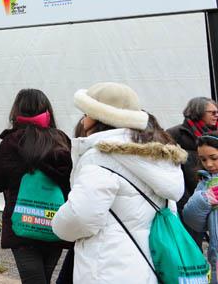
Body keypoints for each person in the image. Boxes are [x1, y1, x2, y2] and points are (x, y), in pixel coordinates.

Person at [51, 82, 186, 283]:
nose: (83, 117)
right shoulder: (158, 157)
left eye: (87, 112)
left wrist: (58, 222)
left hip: (108, 267)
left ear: (99, 116)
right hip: (152, 267)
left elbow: (81, 216)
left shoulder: (100, 157)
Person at [0, 89, 72, 284]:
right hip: (55, 224)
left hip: (22, 226)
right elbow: (71, 181)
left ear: (17, 111)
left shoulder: (11, 142)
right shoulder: (62, 140)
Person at [167, 97, 218, 225]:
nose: (216, 115)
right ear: (198, 112)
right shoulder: (175, 134)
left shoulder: (215, 132)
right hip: (188, 196)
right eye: (212, 112)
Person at [183, 131, 218, 283]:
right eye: (203, 159)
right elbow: (194, 222)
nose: (208, 164)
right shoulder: (205, 182)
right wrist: (206, 199)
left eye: (214, 158)